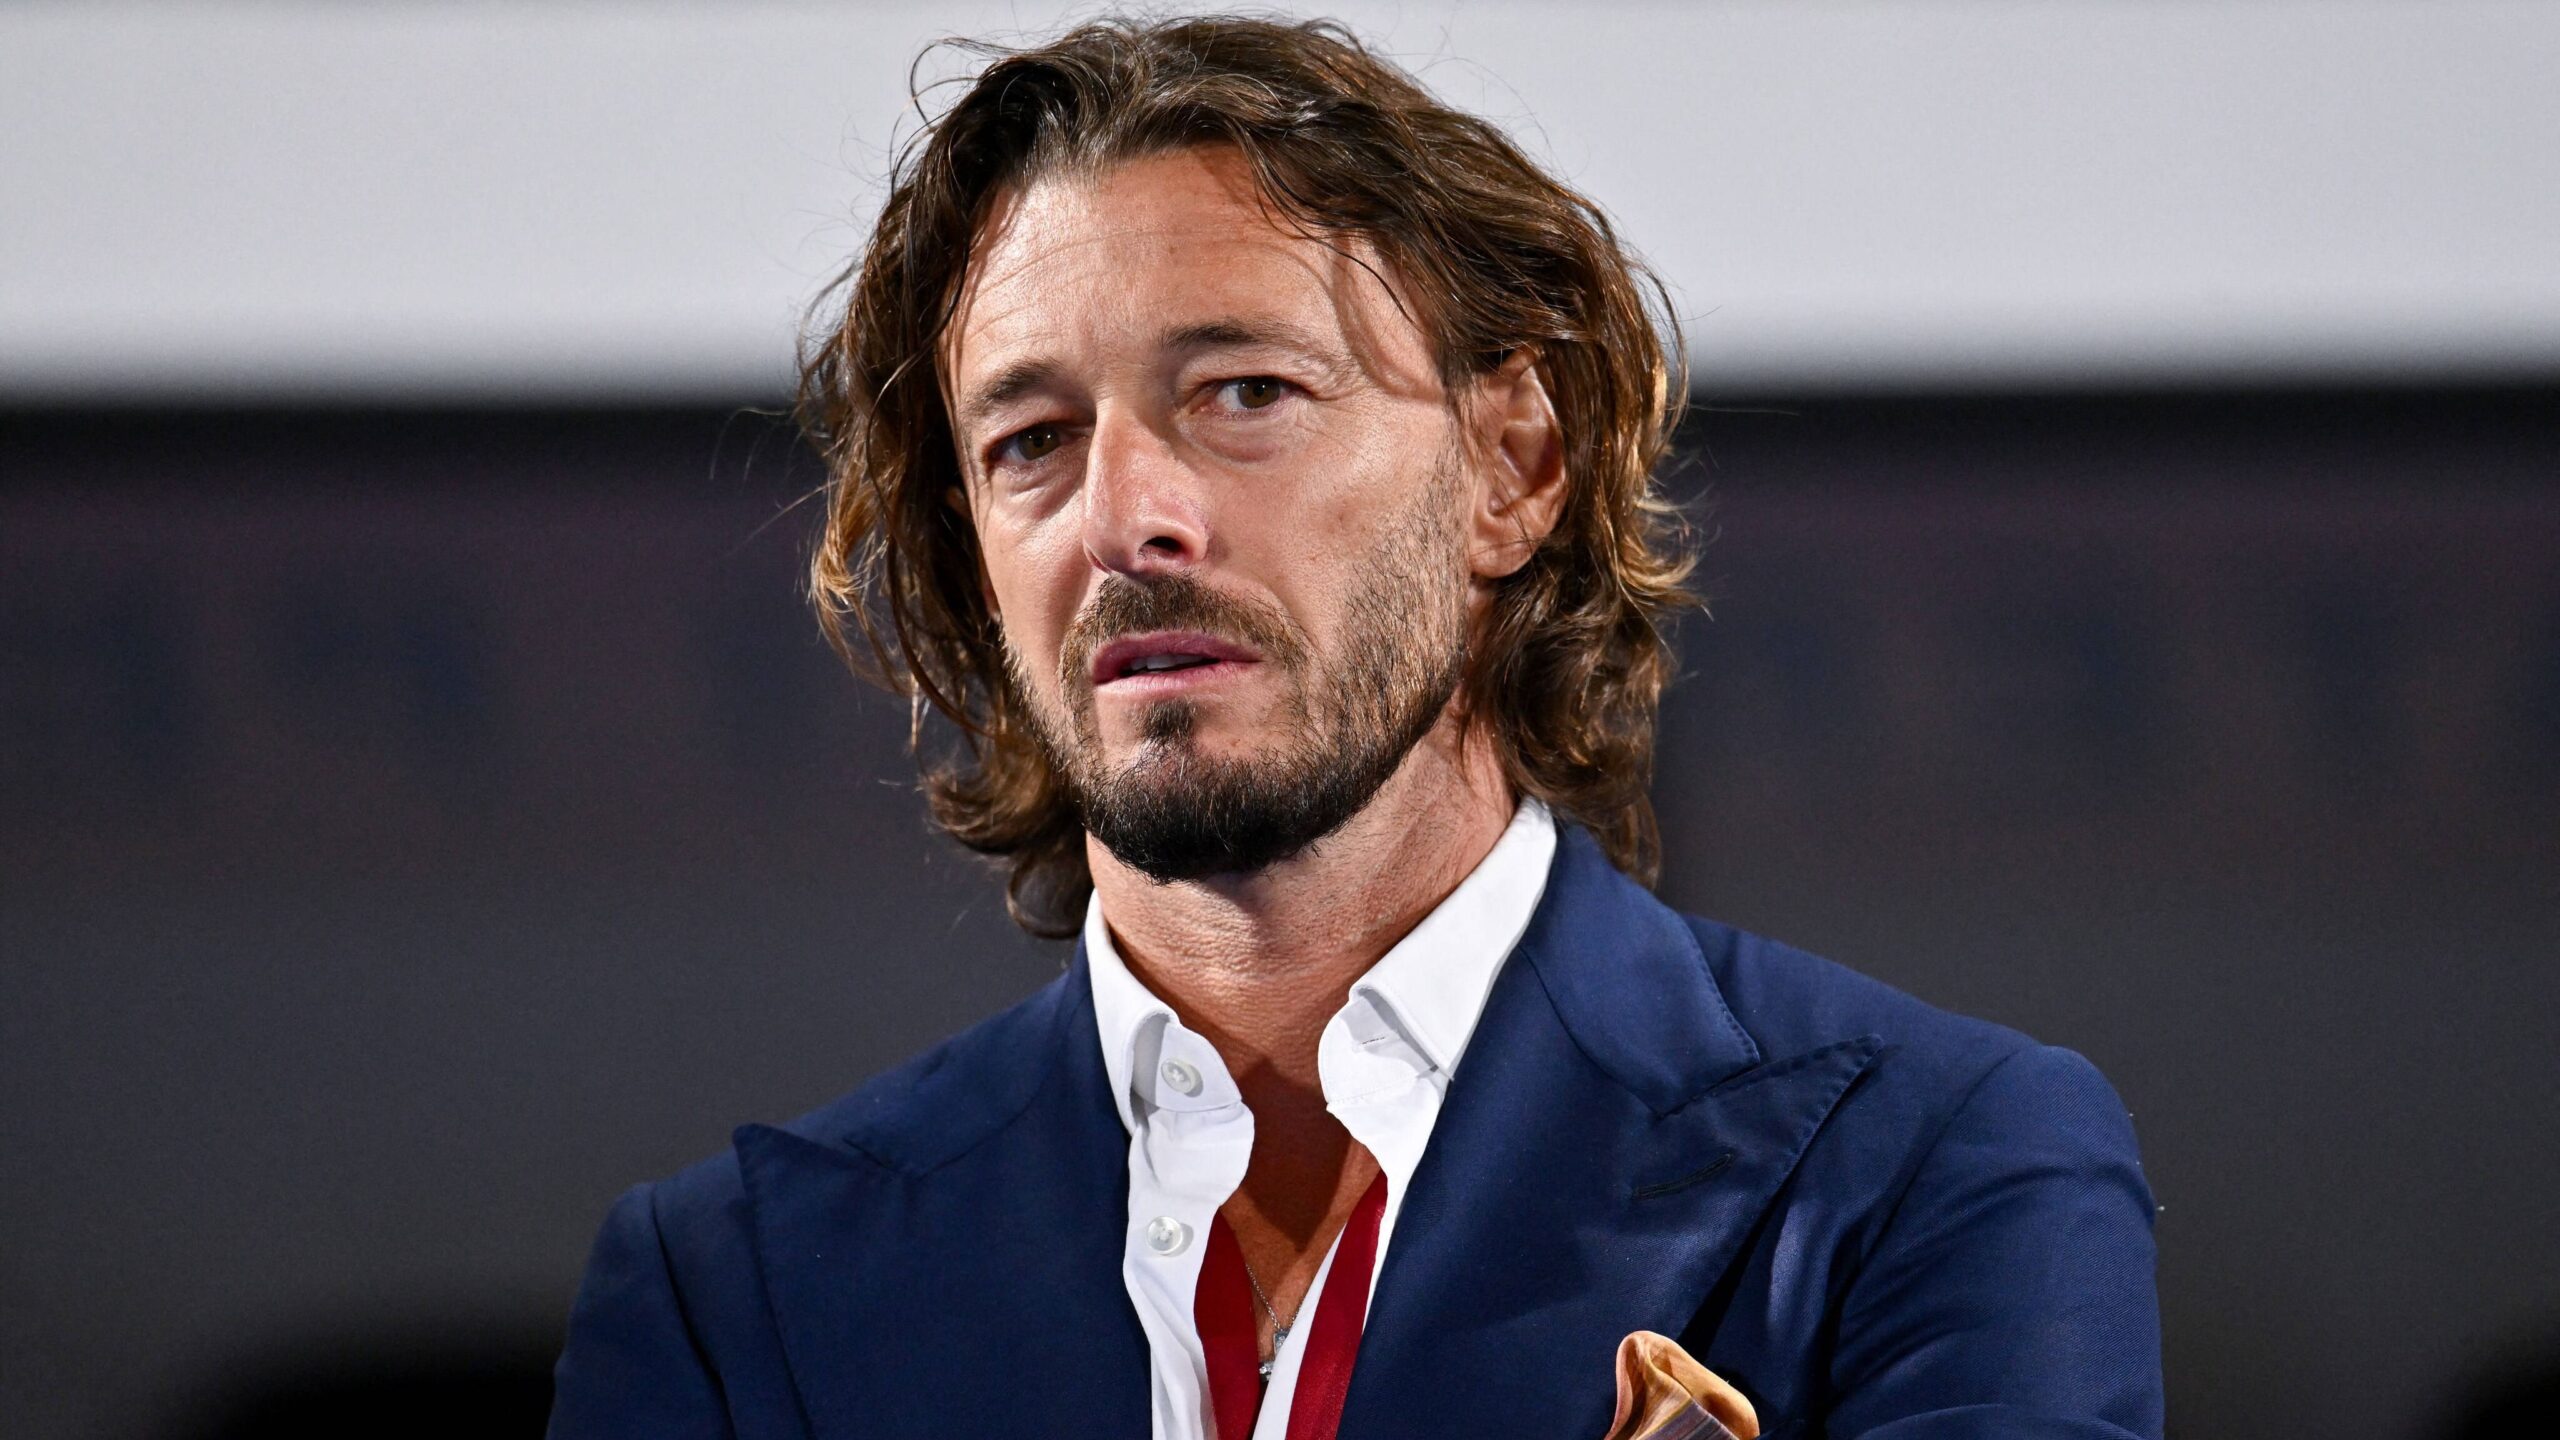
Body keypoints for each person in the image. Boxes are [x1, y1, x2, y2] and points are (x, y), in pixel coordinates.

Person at [547, 16, 2163, 1440]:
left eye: (1245, 393)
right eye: (1031, 438)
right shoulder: (734, 1289)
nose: (1125, 515)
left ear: (1513, 467)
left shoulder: (1935, 1169)